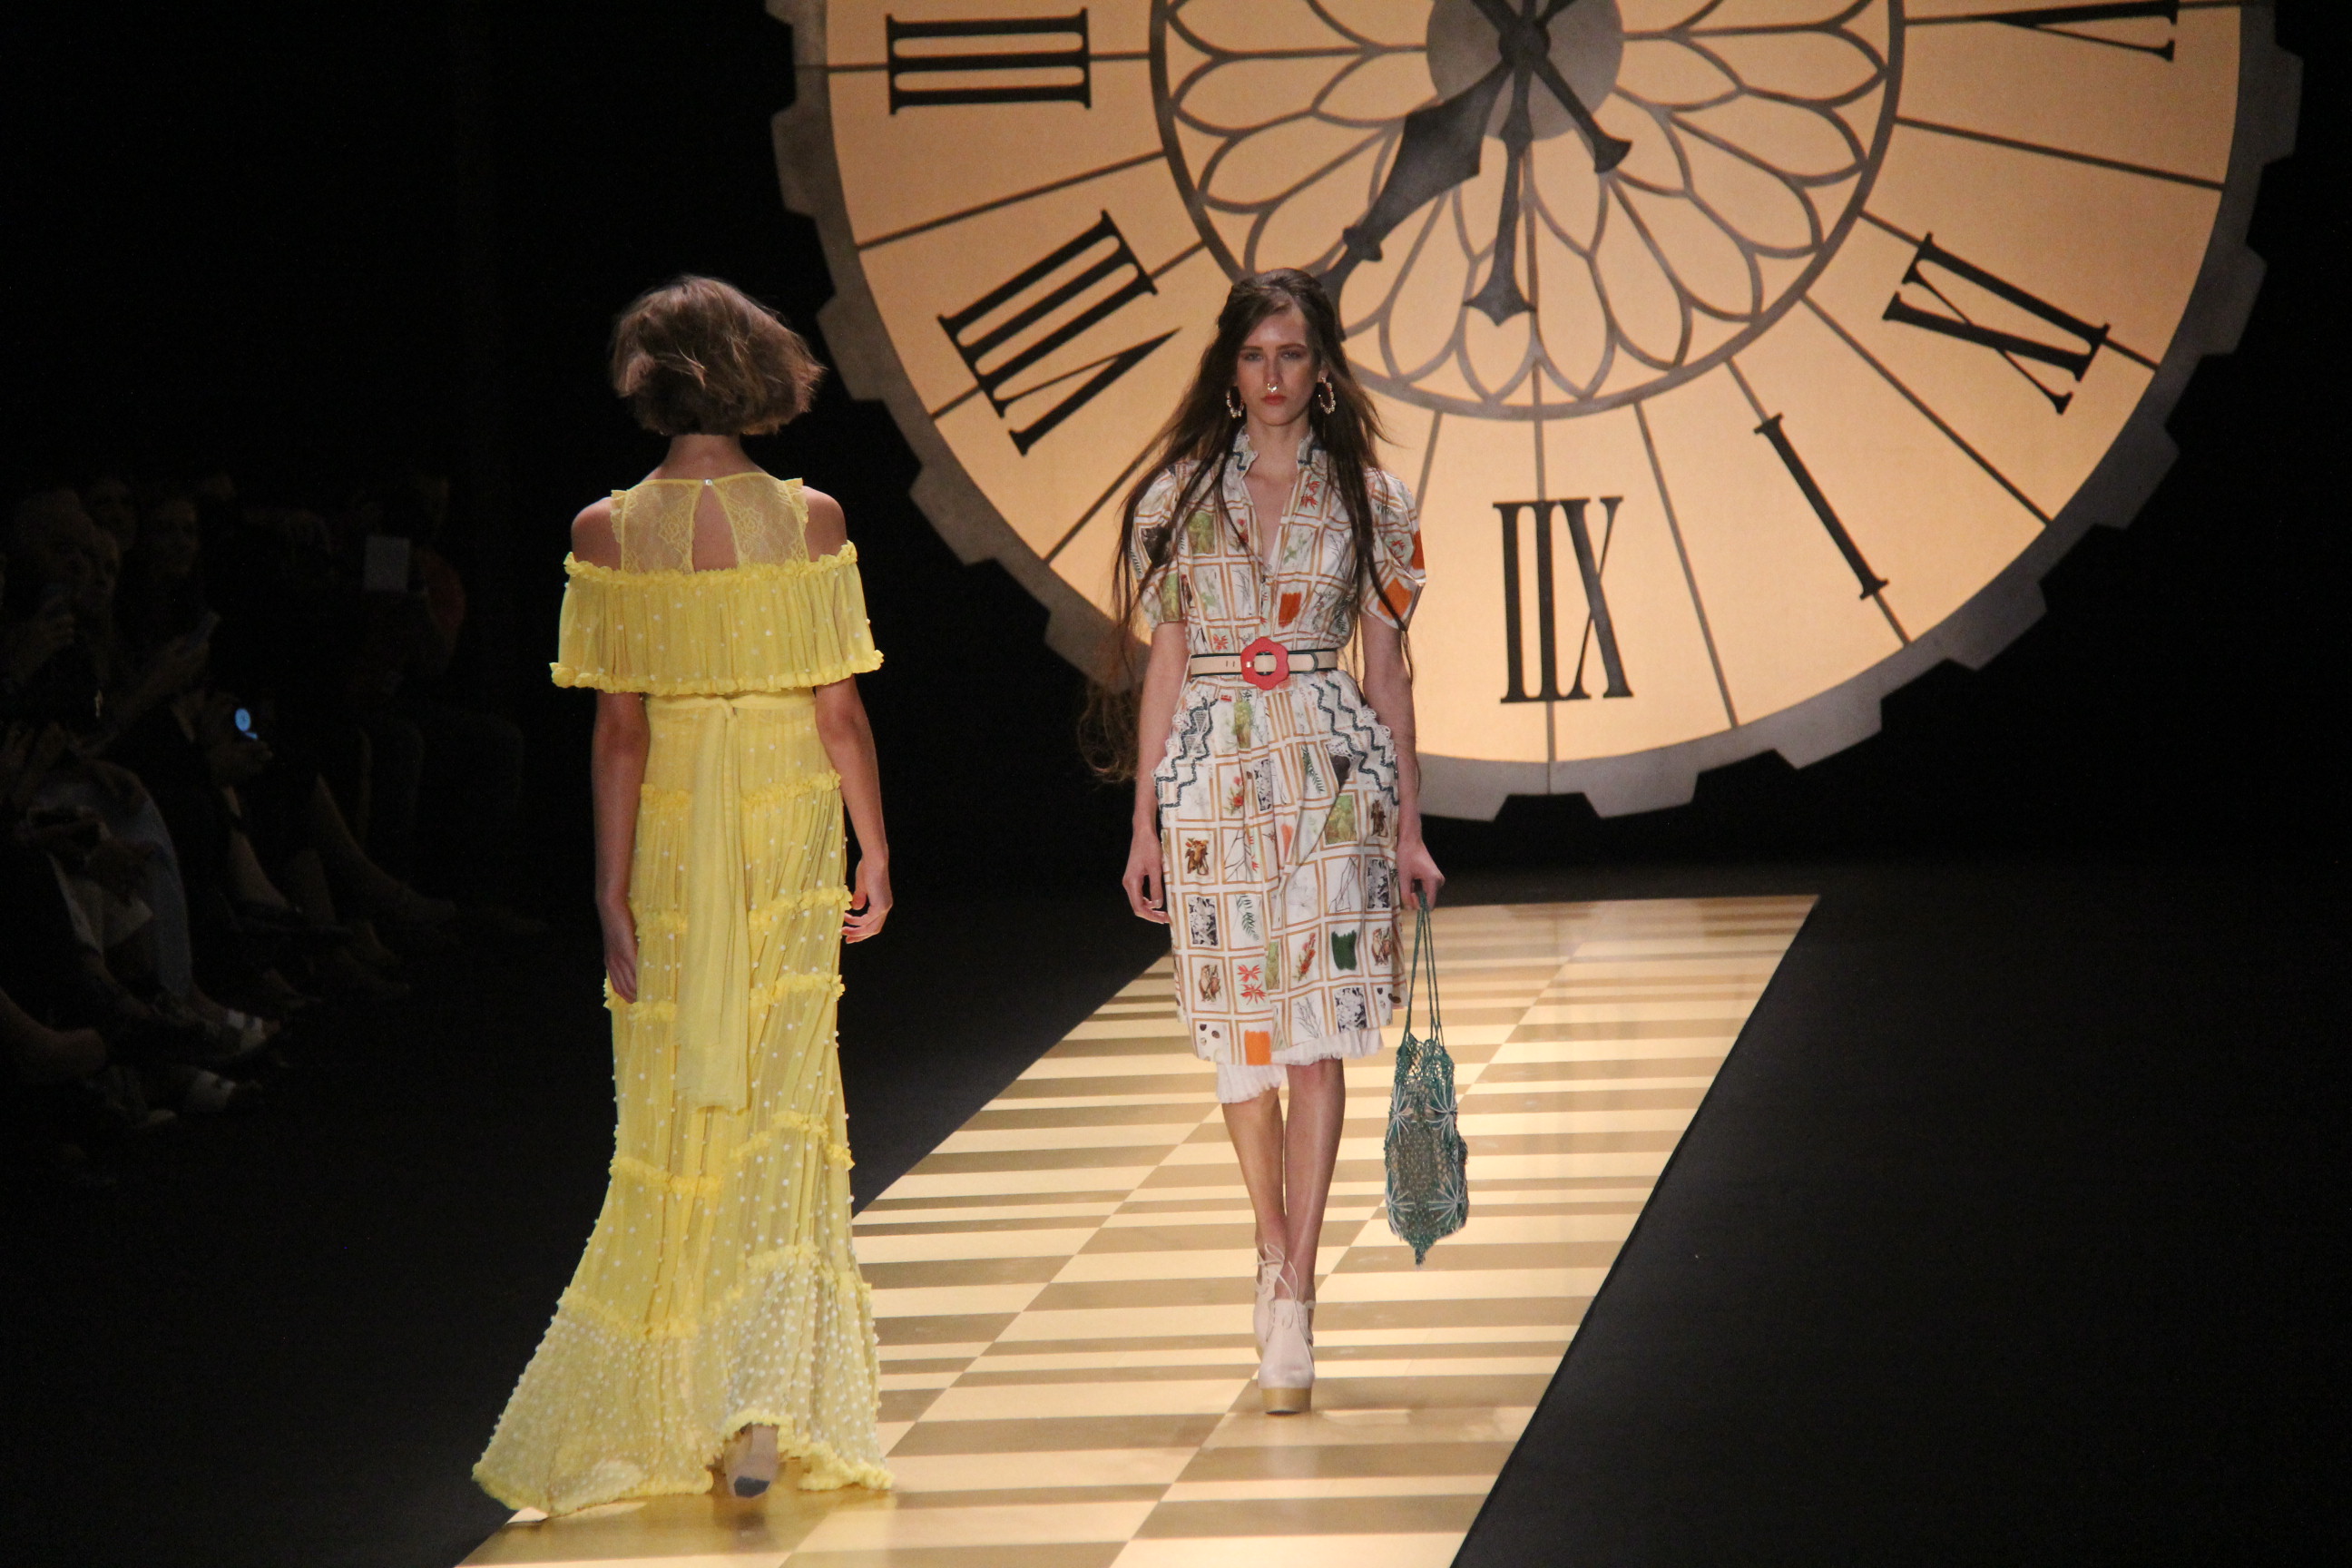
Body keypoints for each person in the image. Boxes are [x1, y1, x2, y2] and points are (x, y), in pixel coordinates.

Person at [475, 276, 894, 1514]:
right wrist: (875, 847)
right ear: (758, 375)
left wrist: (608, 889)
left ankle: (697, 1397)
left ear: (649, 384)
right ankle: (755, 1403)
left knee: (672, 1113)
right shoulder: (808, 518)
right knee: (780, 1097)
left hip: (670, 826)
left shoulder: (607, 530)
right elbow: (839, 710)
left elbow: (618, 732)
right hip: (783, 813)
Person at [1112, 268, 1443, 1414]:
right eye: (1255, 355)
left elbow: (1390, 673)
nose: (1273, 376)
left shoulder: (1373, 502)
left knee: (1318, 1036)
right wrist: (1145, 817)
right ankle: (1269, 1239)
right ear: (1230, 367)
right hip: (1212, 779)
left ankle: (1296, 1290)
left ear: (1322, 367)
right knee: (1243, 1043)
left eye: (1293, 354)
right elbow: (1166, 661)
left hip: (1331, 776)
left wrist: (1409, 825)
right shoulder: (1175, 500)